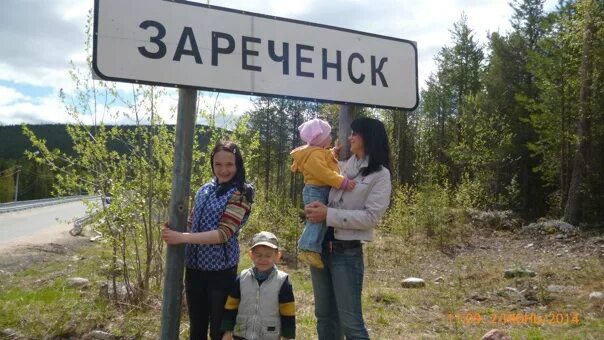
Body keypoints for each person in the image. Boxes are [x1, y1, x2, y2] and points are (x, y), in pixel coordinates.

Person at [304, 117, 392, 339]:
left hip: (346, 254)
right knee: (324, 318)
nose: (349, 137)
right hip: (320, 250)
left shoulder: (380, 175)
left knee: (351, 325)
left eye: (355, 133)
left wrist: (328, 214)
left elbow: (371, 218)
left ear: (368, 137)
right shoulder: (340, 165)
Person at [162, 141, 255, 340]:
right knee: (196, 327)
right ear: (212, 164)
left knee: (219, 330)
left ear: (238, 164)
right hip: (194, 268)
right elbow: (191, 222)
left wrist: (182, 238)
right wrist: (176, 228)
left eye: (229, 164)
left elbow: (223, 234)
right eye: (218, 164)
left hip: (220, 271)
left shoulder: (241, 193)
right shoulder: (205, 189)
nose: (223, 170)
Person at [290, 118, 356, 269]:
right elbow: (324, 173)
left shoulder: (317, 152)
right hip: (316, 190)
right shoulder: (314, 155)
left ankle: (311, 248)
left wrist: (335, 152)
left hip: (318, 189)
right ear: (319, 139)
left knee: (321, 218)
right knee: (317, 219)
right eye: (328, 135)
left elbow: (325, 158)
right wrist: (342, 182)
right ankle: (308, 248)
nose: (331, 137)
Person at [221, 231, 296, 340]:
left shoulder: (282, 281)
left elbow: (288, 313)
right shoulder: (242, 278)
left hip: (269, 335)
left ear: (277, 256)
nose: (263, 259)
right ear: (251, 254)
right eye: (258, 255)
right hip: (241, 334)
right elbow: (231, 307)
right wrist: (227, 331)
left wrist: (287, 336)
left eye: (268, 255)